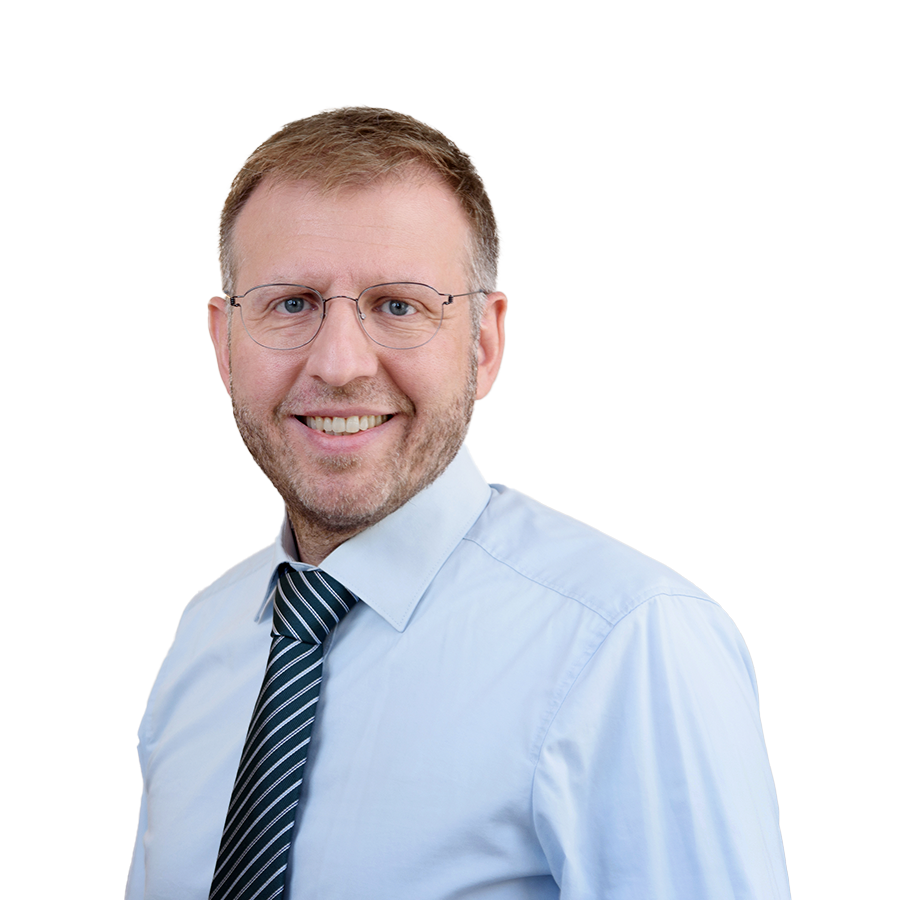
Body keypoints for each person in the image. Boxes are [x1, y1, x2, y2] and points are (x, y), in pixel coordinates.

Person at [126, 105, 791, 900]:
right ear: (224, 343)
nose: (339, 364)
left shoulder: (631, 644)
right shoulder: (204, 638)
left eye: (397, 305)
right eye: (292, 303)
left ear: (484, 342)